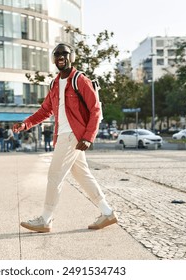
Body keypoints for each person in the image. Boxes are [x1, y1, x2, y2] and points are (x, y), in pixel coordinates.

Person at [13, 43, 117, 233]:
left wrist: (88, 136)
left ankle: (45, 219)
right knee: (82, 175)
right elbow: (45, 111)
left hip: (72, 135)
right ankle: (107, 212)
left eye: (65, 53)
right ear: (54, 59)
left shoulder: (80, 80)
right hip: (64, 135)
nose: (61, 56)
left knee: (54, 175)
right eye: (57, 54)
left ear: (72, 57)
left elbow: (95, 110)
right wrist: (25, 124)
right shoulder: (54, 84)